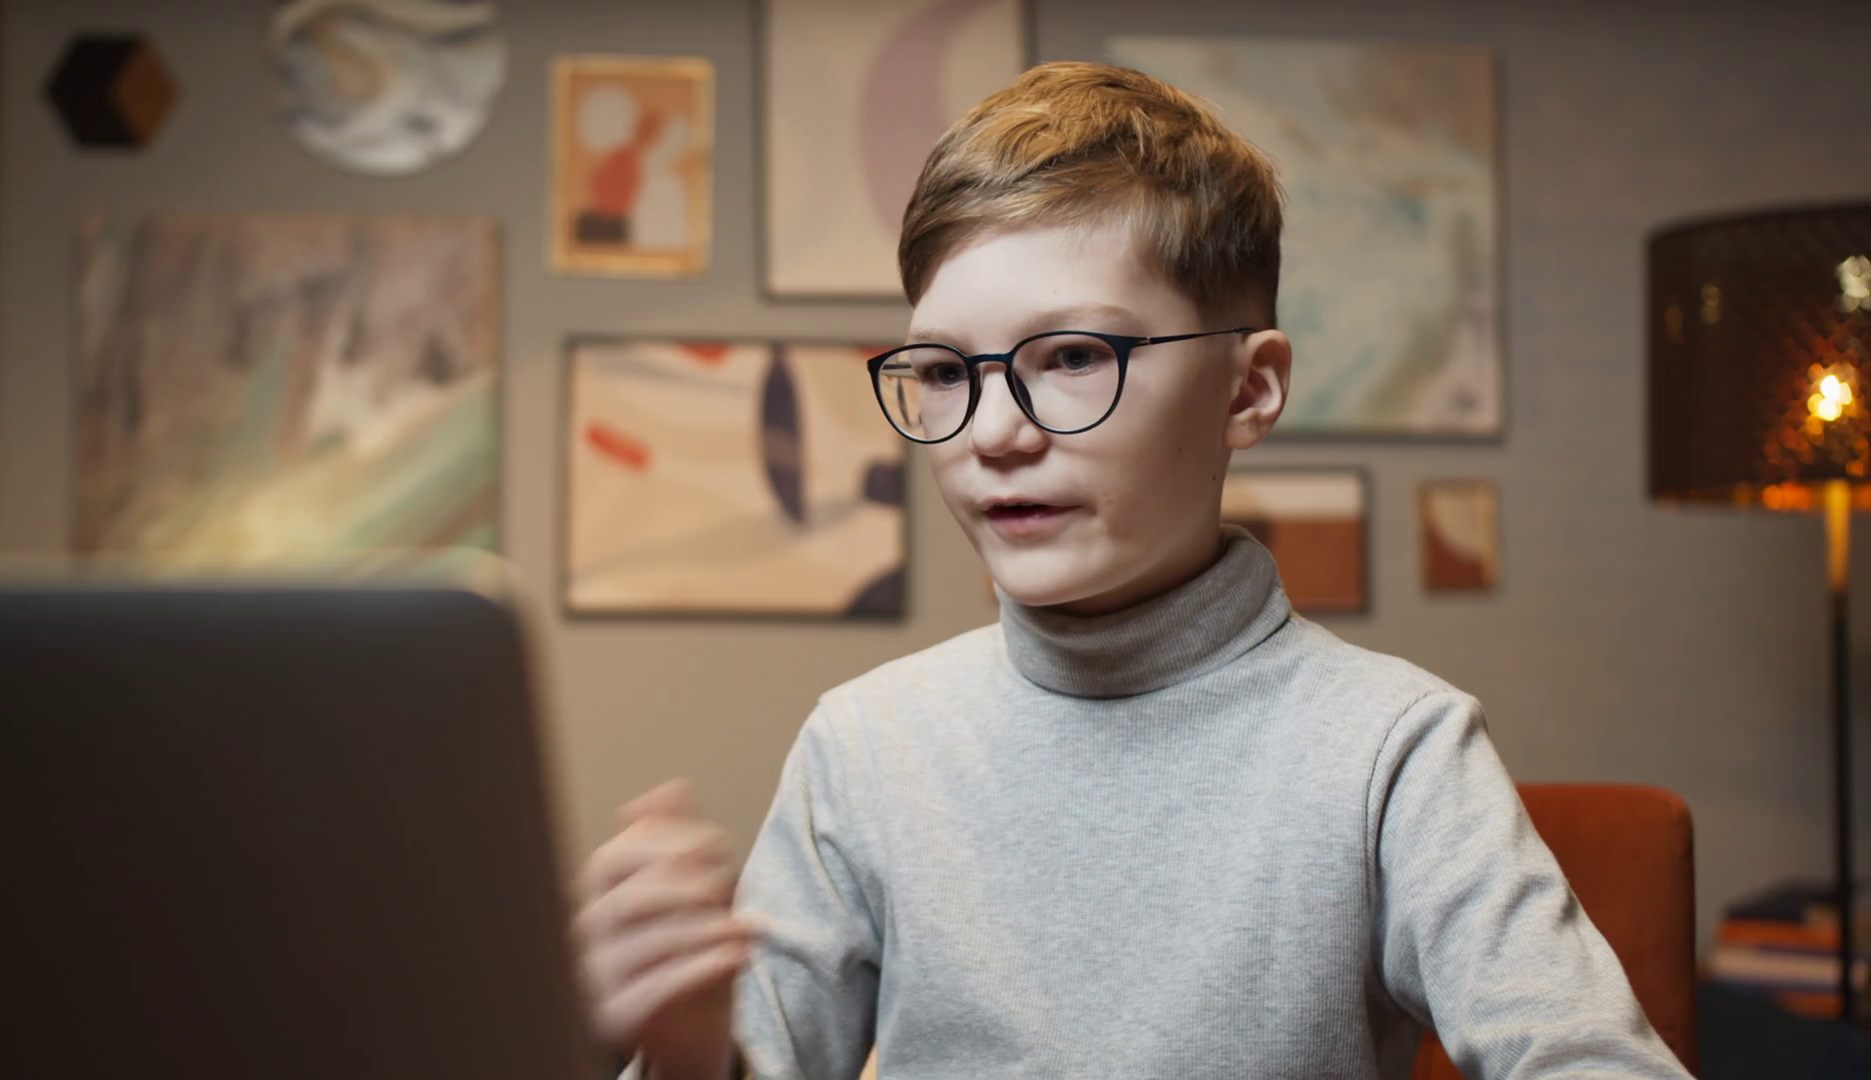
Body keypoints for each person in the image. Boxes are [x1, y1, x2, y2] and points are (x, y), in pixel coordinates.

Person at [575, 62, 1692, 1080]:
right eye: (947, 372)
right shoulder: (863, 748)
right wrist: (688, 1054)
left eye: (1072, 357)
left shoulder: (1393, 748)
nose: (993, 432)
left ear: (1249, 389)